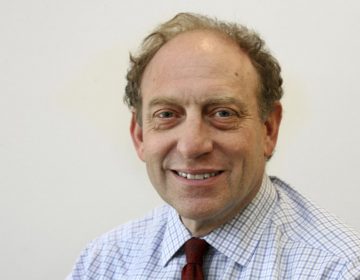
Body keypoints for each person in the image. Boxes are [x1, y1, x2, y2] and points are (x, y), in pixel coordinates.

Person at [67, 13, 360, 279]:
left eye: (222, 113)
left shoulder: (339, 268)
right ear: (140, 136)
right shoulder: (103, 263)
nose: (192, 146)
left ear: (269, 128)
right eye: (167, 115)